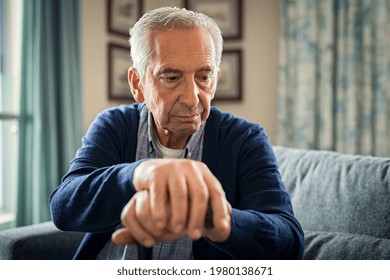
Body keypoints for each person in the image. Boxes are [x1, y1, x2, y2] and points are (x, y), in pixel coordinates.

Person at [49, 7, 304, 260]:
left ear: (215, 80)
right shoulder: (115, 124)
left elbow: (289, 241)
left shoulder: (244, 139)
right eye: (171, 77)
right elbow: (64, 207)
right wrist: (141, 173)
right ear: (138, 84)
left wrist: (214, 217)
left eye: (203, 77)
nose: (193, 98)